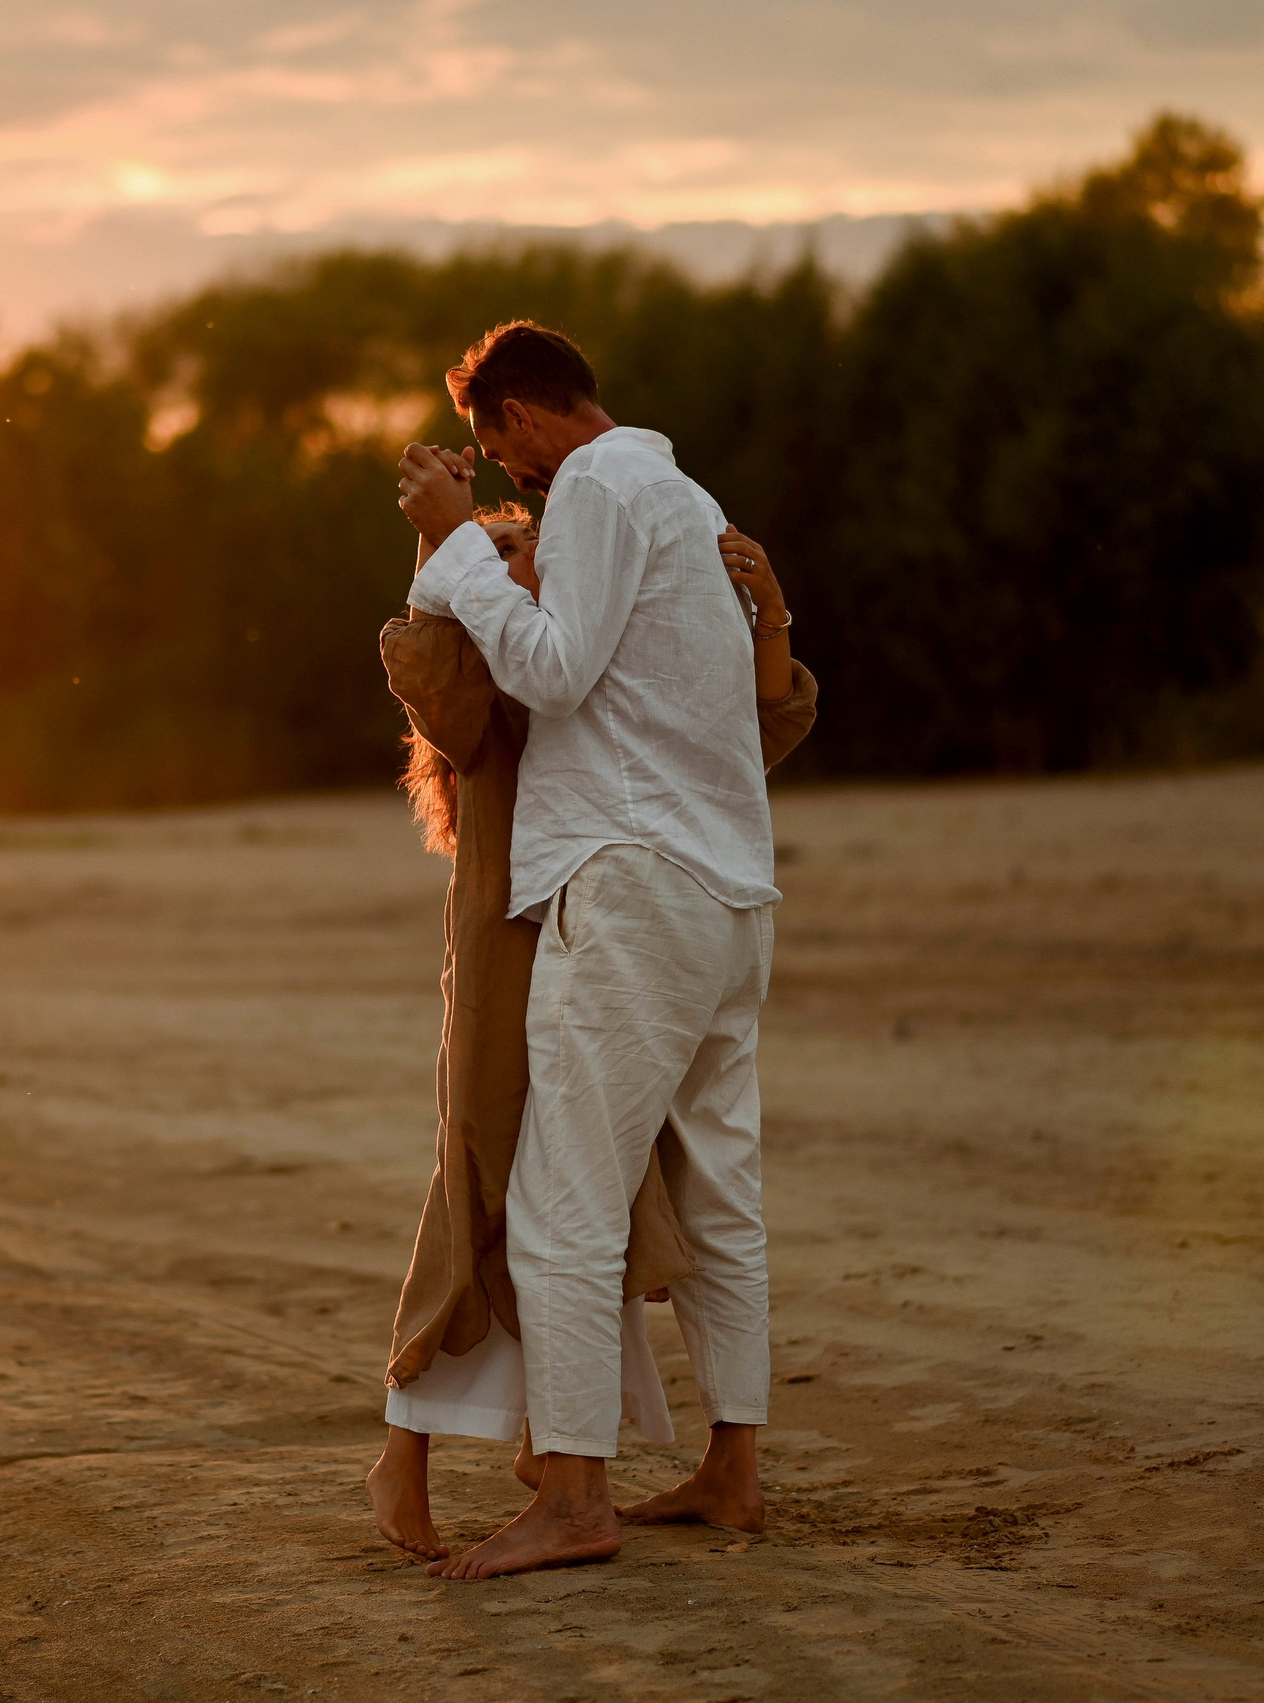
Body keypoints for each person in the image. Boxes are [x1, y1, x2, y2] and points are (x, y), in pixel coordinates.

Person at [392, 320, 799, 1580]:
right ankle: (730, 1466)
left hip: (632, 885)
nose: (507, 478)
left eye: (493, 451)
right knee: (723, 1194)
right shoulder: (681, 496)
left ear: (517, 418)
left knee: (562, 1204)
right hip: (731, 890)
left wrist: (458, 551)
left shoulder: (598, 488)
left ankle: (572, 1496)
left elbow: (555, 675)